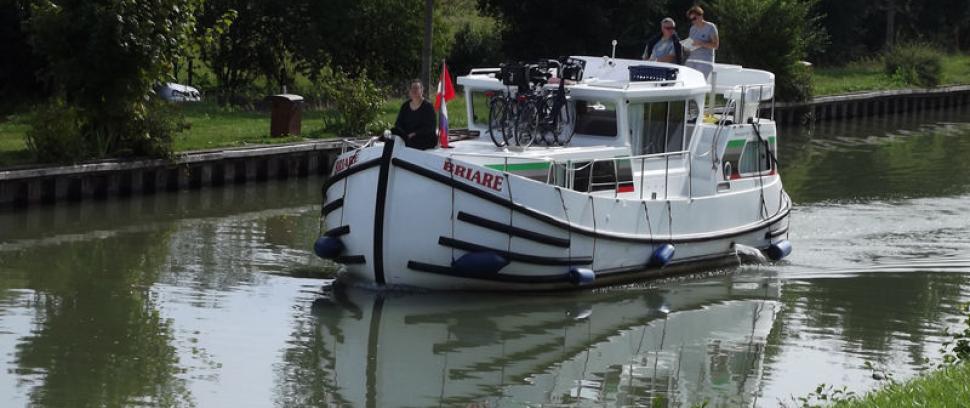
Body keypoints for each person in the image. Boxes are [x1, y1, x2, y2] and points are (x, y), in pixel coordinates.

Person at [391, 79, 437, 150]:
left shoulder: (428, 106)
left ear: (422, 90)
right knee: (392, 132)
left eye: (416, 88)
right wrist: (403, 134)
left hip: (423, 138)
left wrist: (415, 133)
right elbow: (398, 123)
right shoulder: (405, 106)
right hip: (407, 137)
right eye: (412, 88)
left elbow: (431, 127)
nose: (414, 90)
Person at [684, 5, 719, 81]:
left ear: (701, 16)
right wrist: (686, 47)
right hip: (692, 59)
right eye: (691, 20)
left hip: (705, 61)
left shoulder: (711, 27)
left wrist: (701, 43)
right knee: (685, 81)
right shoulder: (692, 29)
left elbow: (716, 45)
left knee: (698, 82)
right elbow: (690, 45)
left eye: (694, 18)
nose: (693, 21)